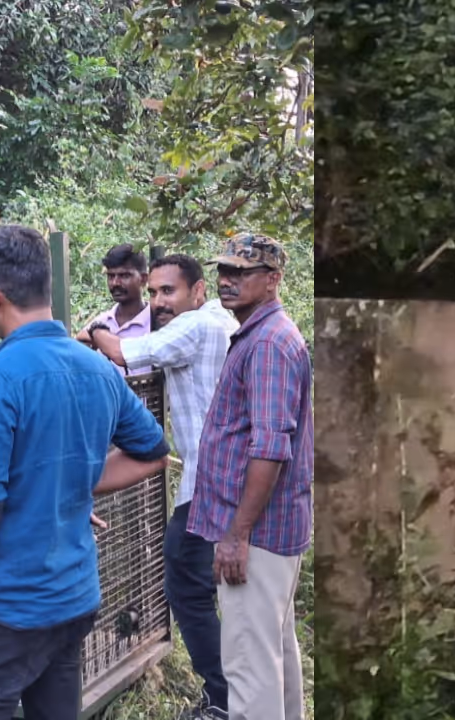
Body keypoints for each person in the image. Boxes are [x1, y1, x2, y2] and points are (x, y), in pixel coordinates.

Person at [0, 224, 171, 719]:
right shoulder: (99, 369)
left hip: (7, 610)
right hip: (74, 600)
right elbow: (154, 453)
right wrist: (72, 484)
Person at [89, 253, 239, 719]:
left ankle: (223, 699)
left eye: (168, 291)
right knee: (209, 588)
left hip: (207, 484)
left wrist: (94, 330)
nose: (158, 302)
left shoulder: (196, 326)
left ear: (199, 291)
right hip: (217, 479)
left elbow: (120, 352)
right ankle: (232, 694)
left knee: (185, 586)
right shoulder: (219, 321)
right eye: (153, 292)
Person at [188, 234, 313, 720]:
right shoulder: (262, 335)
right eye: (224, 270)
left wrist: (237, 535)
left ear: (273, 279)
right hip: (267, 531)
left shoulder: (268, 344)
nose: (227, 280)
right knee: (272, 653)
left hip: (257, 535)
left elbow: (271, 447)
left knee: (249, 666)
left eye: (241, 272)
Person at [76, 243, 152, 375]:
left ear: (143, 279)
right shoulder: (100, 322)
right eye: (111, 276)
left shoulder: (157, 323)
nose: (115, 283)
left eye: (124, 276)